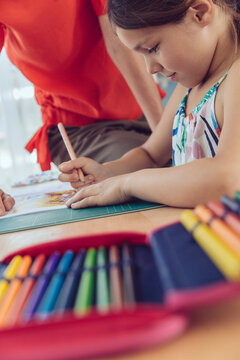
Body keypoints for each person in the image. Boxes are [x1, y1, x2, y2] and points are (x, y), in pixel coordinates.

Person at [58, 0, 240, 209]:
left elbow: (227, 179)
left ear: (199, 13)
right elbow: (151, 156)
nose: (150, 68)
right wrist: (107, 173)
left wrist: (126, 184)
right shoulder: (191, 85)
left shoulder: (235, 77)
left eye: (153, 48)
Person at [0, 1, 165, 172]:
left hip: (141, 110)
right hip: (77, 130)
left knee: (179, 163)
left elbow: (119, 43)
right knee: (147, 174)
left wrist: (164, 133)